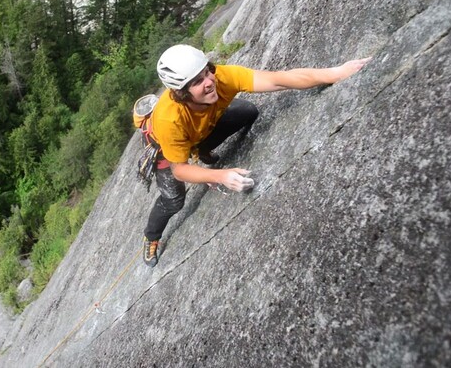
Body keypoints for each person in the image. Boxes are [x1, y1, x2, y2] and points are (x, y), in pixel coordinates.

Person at [142, 44, 370, 267]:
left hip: (200, 131)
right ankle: (151, 236)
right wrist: (219, 176)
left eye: (207, 71)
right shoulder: (169, 120)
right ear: (182, 93)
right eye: (198, 82)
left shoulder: (222, 77)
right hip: (168, 149)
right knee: (173, 201)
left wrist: (335, 73)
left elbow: (277, 79)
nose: (210, 81)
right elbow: (179, 169)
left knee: (247, 112)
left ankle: (202, 149)